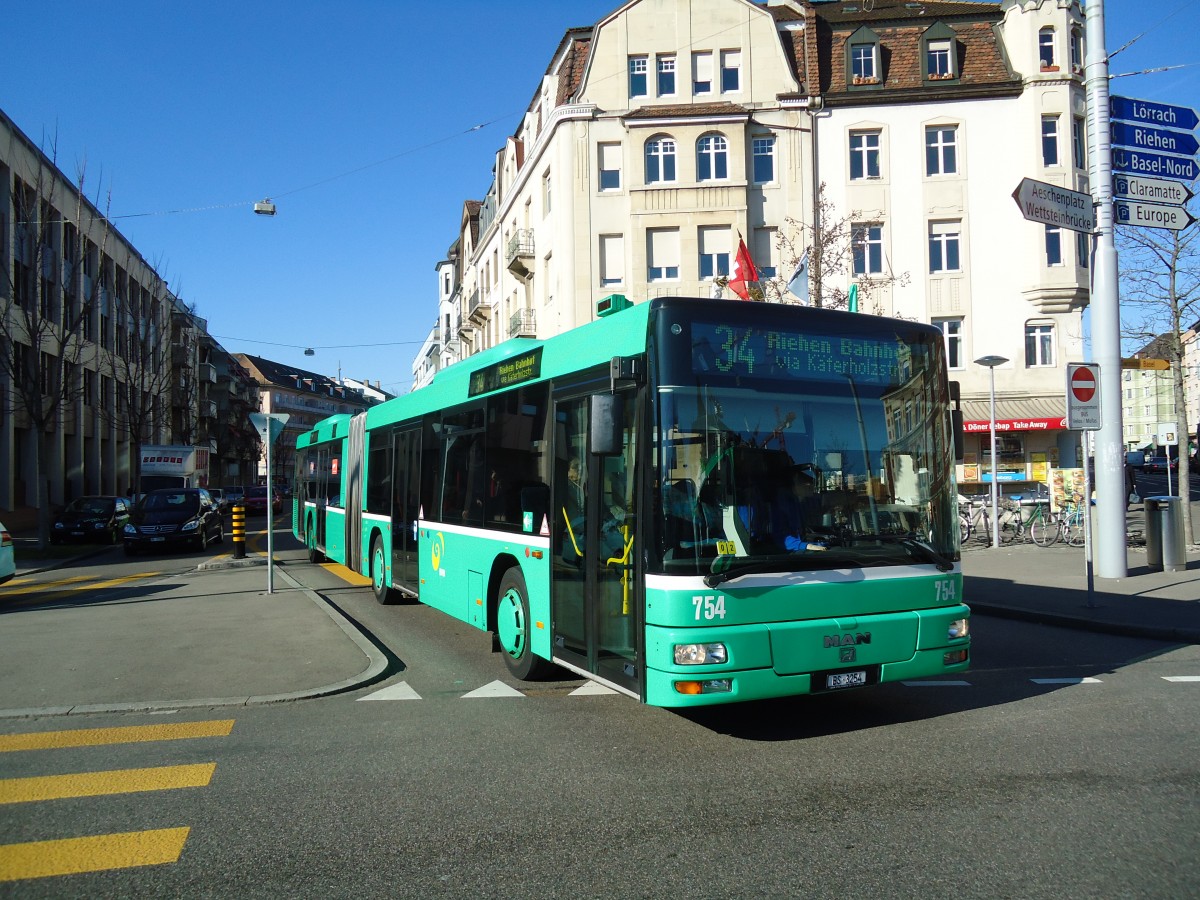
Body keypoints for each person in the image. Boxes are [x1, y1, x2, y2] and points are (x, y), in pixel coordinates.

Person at [772, 468, 826, 552]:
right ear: (796, 479)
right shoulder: (782, 503)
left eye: (812, 483)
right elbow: (781, 537)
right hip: (787, 557)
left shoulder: (804, 501)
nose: (811, 485)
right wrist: (805, 545)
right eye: (806, 481)